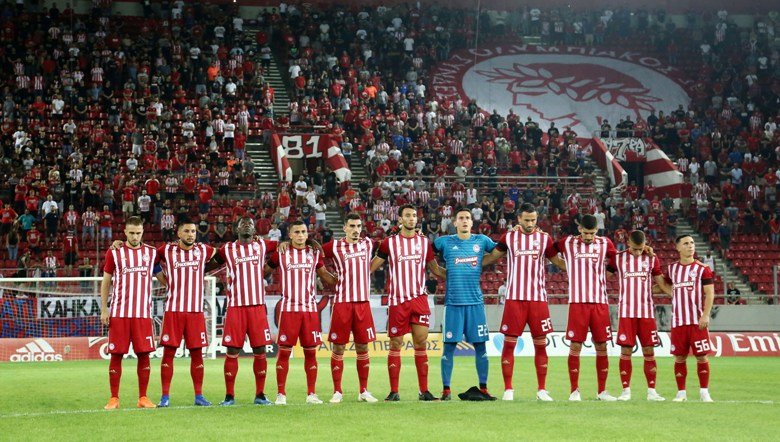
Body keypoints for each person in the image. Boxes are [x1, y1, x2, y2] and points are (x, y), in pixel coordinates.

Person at [482, 203, 565, 401]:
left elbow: (558, 261)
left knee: (541, 345)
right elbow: (492, 257)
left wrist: (580, 267)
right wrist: (469, 263)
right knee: (509, 345)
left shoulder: (544, 239)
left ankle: (542, 390)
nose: (530, 224)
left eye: (533, 220)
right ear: (519, 219)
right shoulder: (509, 237)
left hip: (538, 300)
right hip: (514, 299)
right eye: (526, 220)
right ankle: (508, 389)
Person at [370, 204, 446, 401]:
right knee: (396, 344)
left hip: (419, 299)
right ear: (400, 219)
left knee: (421, 342)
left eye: (414, 215)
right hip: (398, 301)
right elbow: (371, 267)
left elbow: (435, 269)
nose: (412, 218)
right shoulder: (389, 243)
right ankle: (394, 391)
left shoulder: (424, 242)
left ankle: (424, 391)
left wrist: (457, 275)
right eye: (407, 215)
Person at [267, 221, 337, 405]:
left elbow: (325, 276)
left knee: (311, 353)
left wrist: (344, 280)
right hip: (288, 310)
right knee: (284, 353)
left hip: (309, 311)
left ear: (307, 234)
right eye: (296, 232)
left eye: (303, 232)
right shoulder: (281, 252)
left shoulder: (314, 253)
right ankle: (281, 394)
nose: (300, 235)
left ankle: (311, 394)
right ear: (290, 235)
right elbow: (264, 270)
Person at [433, 208, 498, 401]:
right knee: (449, 349)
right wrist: (441, 272)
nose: (464, 221)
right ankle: (446, 391)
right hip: (453, 304)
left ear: (472, 222)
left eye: (467, 218)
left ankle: (484, 388)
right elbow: (426, 254)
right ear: (455, 222)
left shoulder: (482, 241)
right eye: (460, 218)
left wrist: (482, 261)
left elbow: (500, 251)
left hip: (475, 304)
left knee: (481, 347)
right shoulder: (444, 242)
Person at [100, 216, 162, 410]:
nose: (135, 237)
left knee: (144, 355)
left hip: (142, 314)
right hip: (119, 313)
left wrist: (179, 283)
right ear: (125, 232)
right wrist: (104, 308)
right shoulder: (114, 252)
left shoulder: (152, 253)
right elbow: (106, 281)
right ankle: (114, 398)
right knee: (116, 355)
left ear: (143, 232)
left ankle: (143, 397)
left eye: (138, 233)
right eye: (132, 233)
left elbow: (162, 276)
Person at [554, 214, 618, 401]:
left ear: (597, 230)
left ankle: (602, 392)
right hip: (578, 303)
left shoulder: (605, 243)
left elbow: (617, 260)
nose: (589, 237)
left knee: (602, 345)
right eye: (586, 233)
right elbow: (549, 250)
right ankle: (574, 391)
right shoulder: (568, 242)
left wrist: (607, 274)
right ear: (579, 229)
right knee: (575, 345)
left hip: (600, 303)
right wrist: (565, 266)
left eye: (592, 233)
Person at [216, 217, 277, 406]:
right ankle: (229, 396)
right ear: (237, 229)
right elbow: (210, 262)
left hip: (257, 307)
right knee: (232, 350)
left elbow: (283, 247)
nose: (247, 226)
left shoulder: (262, 245)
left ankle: (260, 394)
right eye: (243, 224)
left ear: (254, 230)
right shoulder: (227, 249)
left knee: (260, 350)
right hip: (236, 307)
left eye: (250, 224)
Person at [320, 213, 379, 403]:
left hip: (363, 303)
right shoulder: (334, 246)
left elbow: (389, 247)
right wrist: (328, 277)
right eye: (352, 226)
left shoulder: (367, 244)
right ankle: (337, 391)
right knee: (338, 347)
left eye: (359, 226)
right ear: (344, 228)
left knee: (363, 346)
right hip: (342, 303)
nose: (356, 230)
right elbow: (314, 253)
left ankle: (364, 391)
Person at [607, 230, 669, 401]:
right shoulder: (618, 258)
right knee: (626, 350)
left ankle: (652, 391)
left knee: (649, 350)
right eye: (634, 249)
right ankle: (626, 391)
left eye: (640, 249)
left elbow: (661, 283)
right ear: (628, 243)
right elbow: (604, 276)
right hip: (626, 312)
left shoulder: (652, 258)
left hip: (646, 312)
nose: (637, 252)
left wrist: (675, 294)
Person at [666, 235, 715, 402]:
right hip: (678, 322)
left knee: (702, 356)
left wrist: (706, 315)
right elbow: (664, 285)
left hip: (697, 322)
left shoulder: (703, 269)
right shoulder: (672, 268)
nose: (690, 246)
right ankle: (681, 393)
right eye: (686, 243)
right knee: (679, 357)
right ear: (678, 248)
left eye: (692, 243)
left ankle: (704, 392)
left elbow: (710, 293)